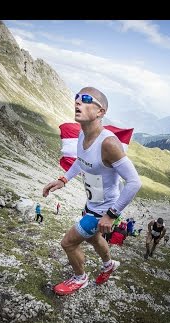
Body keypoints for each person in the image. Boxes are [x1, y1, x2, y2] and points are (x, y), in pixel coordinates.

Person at [42, 86, 142, 295]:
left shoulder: (108, 143)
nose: (78, 102)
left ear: (100, 111)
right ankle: (109, 265)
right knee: (93, 238)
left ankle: (80, 279)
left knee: (68, 243)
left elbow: (134, 182)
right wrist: (63, 180)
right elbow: (81, 161)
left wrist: (111, 214)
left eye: (86, 99)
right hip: (92, 202)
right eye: (77, 98)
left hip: (103, 210)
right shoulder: (82, 135)